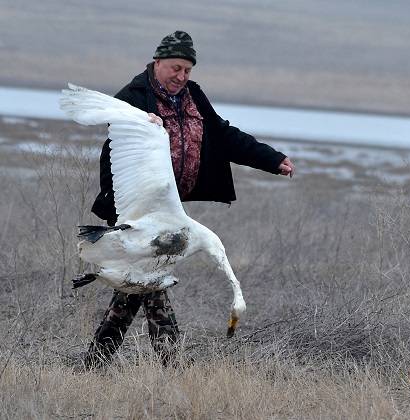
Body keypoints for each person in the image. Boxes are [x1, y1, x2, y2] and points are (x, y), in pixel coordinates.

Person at [83, 30, 295, 368]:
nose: (182, 77)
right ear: (158, 63)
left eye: (188, 70)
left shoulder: (192, 96)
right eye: (176, 68)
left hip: (170, 211)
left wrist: (271, 159)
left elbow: (222, 135)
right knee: (151, 284)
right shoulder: (135, 96)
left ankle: (94, 363)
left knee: (134, 290)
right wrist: (121, 213)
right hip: (137, 213)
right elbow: (114, 153)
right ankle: (173, 366)